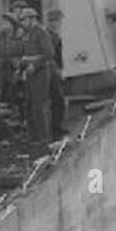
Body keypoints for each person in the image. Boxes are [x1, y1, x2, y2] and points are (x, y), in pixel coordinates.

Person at [16, 8, 55, 141]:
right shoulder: (27, 33)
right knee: (29, 104)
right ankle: (33, 135)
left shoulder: (41, 32)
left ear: (32, 19)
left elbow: (49, 53)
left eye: (24, 19)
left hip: (40, 72)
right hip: (29, 72)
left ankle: (44, 136)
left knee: (39, 105)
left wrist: (34, 63)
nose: (22, 22)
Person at [45, 8, 68, 138]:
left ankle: (56, 127)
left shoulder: (53, 35)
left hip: (54, 70)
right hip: (51, 71)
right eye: (58, 21)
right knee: (57, 100)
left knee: (57, 101)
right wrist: (58, 70)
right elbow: (52, 55)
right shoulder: (49, 36)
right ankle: (55, 128)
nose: (59, 24)